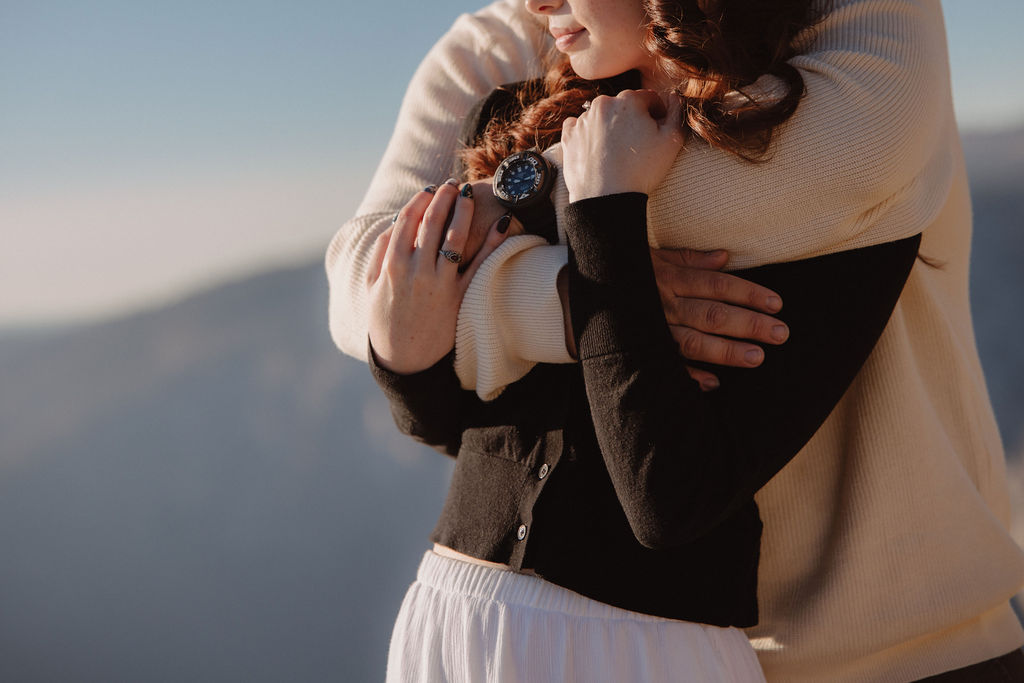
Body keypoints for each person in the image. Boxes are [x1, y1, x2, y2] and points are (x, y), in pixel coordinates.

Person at [328, 0, 1024, 680]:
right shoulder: (522, 55)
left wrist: (509, 206)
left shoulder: (847, 63)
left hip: (916, 653)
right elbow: (370, 287)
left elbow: (851, 152)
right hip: (644, 637)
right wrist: (557, 299)